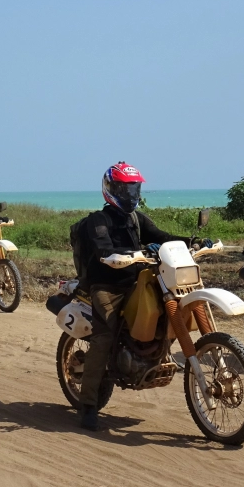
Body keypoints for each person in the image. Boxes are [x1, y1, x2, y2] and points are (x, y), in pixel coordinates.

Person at [78, 162, 191, 431]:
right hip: (108, 287)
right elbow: (103, 249)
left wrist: (191, 241)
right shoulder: (98, 220)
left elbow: (162, 236)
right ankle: (88, 405)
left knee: (168, 310)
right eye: (124, 189)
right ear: (111, 189)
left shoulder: (136, 219)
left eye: (134, 189)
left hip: (139, 282)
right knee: (105, 336)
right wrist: (126, 254)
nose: (130, 194)